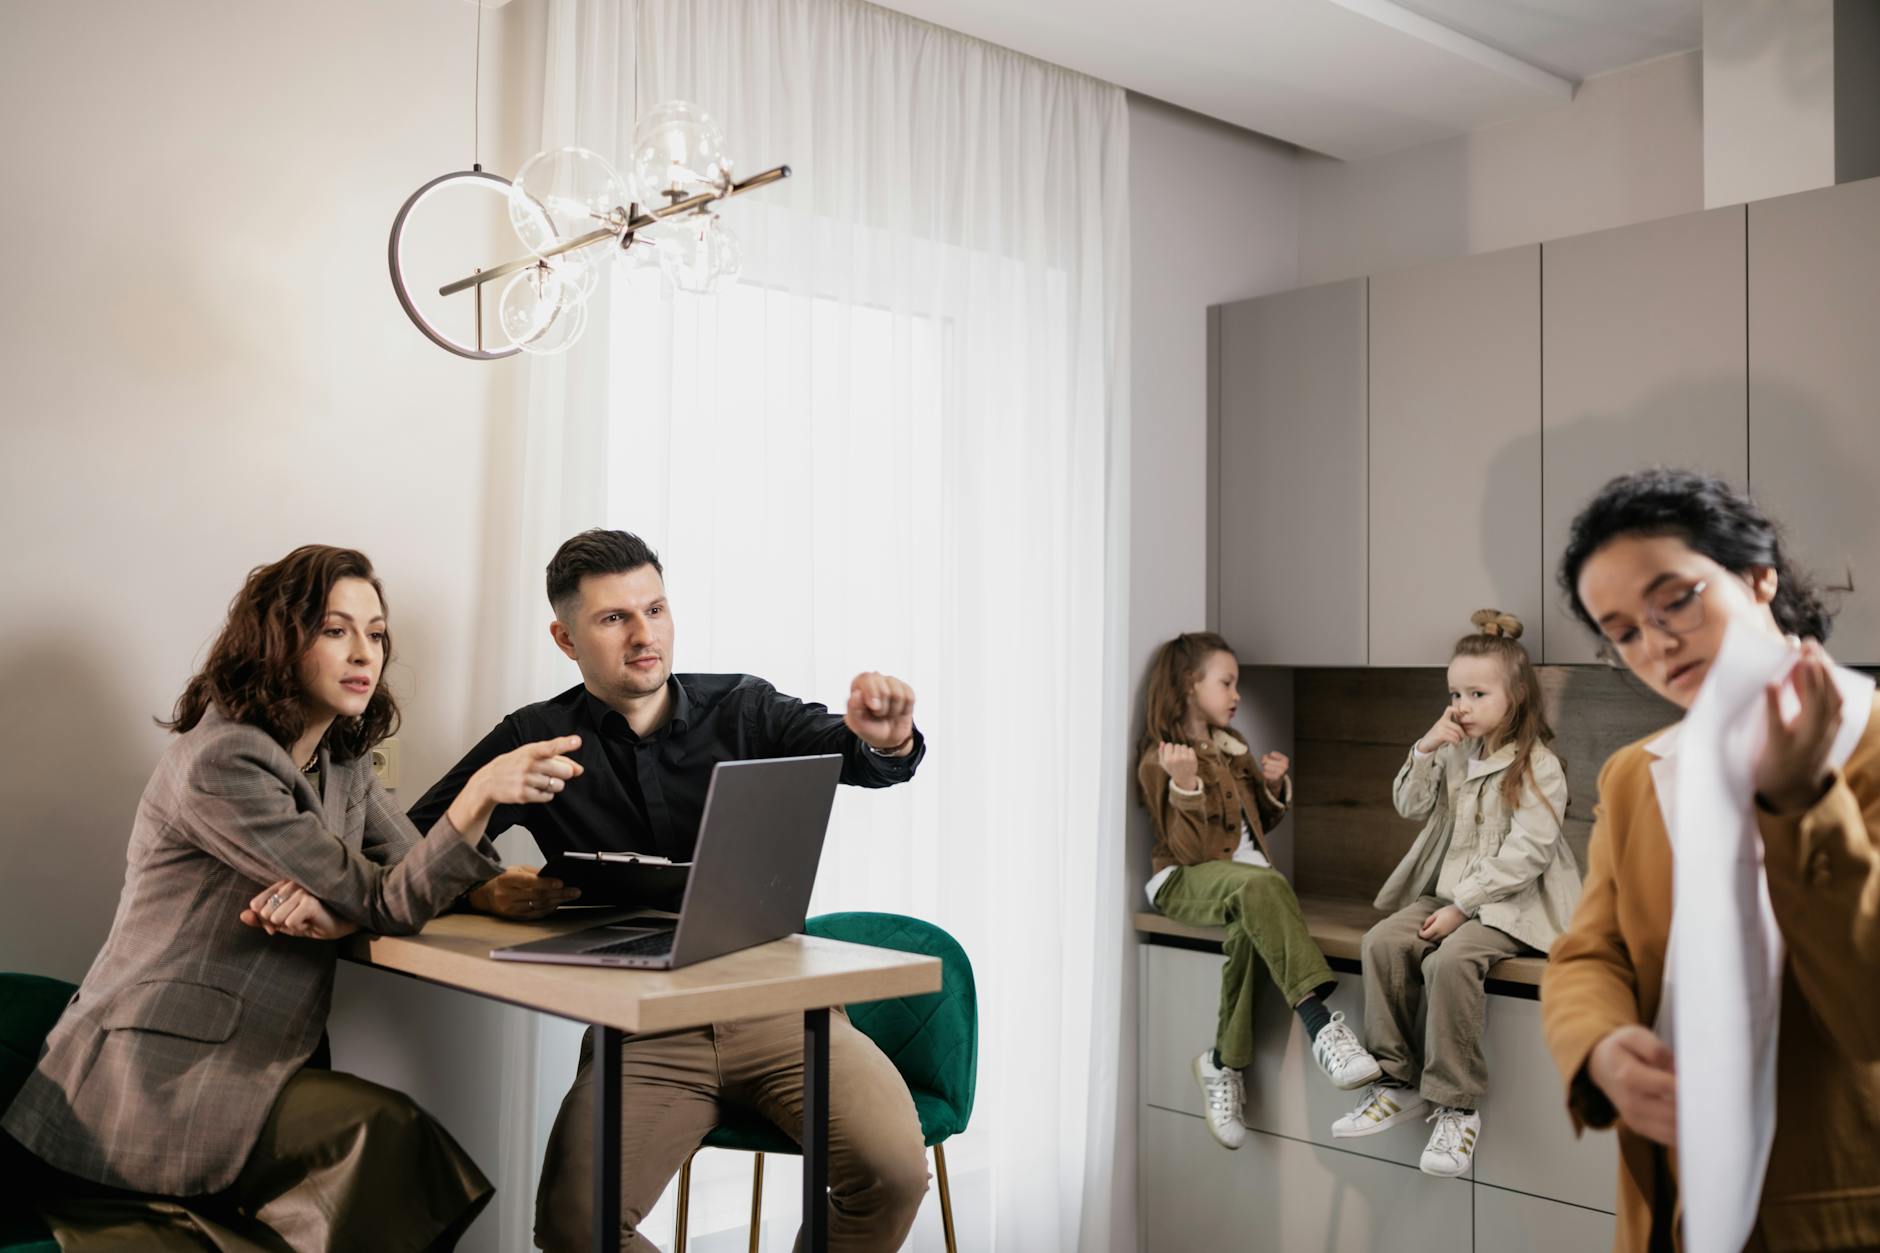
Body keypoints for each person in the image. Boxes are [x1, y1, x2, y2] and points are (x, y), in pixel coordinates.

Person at [1, 545, 583, 1251]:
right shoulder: (224, 759)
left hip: (253, 1059)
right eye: (336, 629)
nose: (364, 651)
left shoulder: (341, 756)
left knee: (387, 1155)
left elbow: (403, 871)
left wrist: (355, 905)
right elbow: (395, 895)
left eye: (376, 632)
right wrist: (478, 796)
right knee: (387, 1135)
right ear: (279, 638)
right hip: (152, 1069)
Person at [405, 528, 930, 1253]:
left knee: (893, 1173)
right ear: (565, 638)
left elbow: (864, 758)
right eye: (614, 617)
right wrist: (482, 889)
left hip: (781, 1009)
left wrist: (887, 739)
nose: (643, 634)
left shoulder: (744, 709)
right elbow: (409, 846)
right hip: (644, 1029)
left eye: (655, 609)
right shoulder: (537, 736)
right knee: (573, 1228)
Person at [1542, 468, 1880, 1251]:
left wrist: (1798, 804)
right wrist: (1598, 1047)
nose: (1655, 643)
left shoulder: (1867, 749)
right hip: (1673, 1212)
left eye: (1677, 599)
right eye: (1623, 630)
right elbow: (1589, 953)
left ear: (1758, 575)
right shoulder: (1637, 774)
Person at [1332, 611, 1578, 1177]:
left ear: (1515, 695)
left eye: (1476, 692)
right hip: (1449, 897)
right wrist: (1424, 748)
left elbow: (1527, 854)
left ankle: (1455, 1106)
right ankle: (1396, 1080)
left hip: (1514, 904)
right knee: (1381, 942)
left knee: (1453, 960)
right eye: (1454, 693)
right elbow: (1410, 807)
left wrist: (1462, 908)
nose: (1461, 704)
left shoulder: (1538, 765)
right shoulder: (1452, 750)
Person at [1136, 631, 1380, 1152]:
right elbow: (1191, 851)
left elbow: (1259, 822)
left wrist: (1274, 787)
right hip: (1186, 880)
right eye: (1226, 682)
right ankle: (1321, 1028)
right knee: (1260, 885)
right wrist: (1185, 787)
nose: (1237, 694)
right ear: (1187, 685)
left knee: (1255, 904)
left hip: (1248, 885)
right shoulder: (1163, 758)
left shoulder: (1233, 748)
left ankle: (1222, 1063)